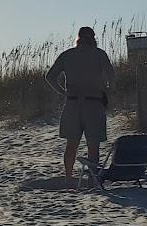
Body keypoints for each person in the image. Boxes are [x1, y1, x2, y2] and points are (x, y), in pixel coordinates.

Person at [45, 26, 115, 180]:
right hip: (94, 103)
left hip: (72, 103)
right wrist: (107, 90)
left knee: (71, 144)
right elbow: (112, 77)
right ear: (92, 38)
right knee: (93, 145)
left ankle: (68, 177)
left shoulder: (67, 55)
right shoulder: (99, 54)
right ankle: (92, 179)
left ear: (78, 38)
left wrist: (62, 91)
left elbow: (50, 77)